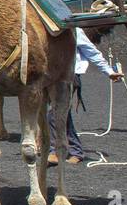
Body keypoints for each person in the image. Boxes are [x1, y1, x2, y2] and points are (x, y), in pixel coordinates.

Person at [48, 27, 122, 165]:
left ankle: (56, 151)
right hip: (50, 77)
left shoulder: (73, 31)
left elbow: (92, 52)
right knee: (61, 114)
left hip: (69, 76)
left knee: (55, 114)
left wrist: (109, 72)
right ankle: (74, 150)